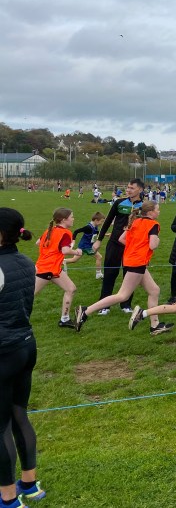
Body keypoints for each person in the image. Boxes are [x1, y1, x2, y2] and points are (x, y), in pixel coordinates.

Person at [0, 208, 47, 507]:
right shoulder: (27, 261)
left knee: (0, 425)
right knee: (19, 413)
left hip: (4, 351)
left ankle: (8, 499)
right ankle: (29, 484)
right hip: (25, 346)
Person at [75, 201, 169, 334]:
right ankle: (86, 311)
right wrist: (155, 241)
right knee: (123, 295)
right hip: (137, 262)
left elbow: (121, 239)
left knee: (154, 290)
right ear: (150, 212)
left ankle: (155, 325)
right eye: (157, 209)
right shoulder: (154, 224)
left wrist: (135, 247)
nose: (159, 212)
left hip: (132, 260)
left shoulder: (135, 221)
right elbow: (153, 245)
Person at [92, 178, 145, 314]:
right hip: (115, 243)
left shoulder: (144, 206)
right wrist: (99, 240)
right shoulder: (119, 203)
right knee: (110, 273)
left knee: (129, 275)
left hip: (132, 246)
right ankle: (104, 306)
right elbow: (107, 221)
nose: (128, 190)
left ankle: (126, 305)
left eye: (132, 188)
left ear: (140, 190)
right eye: (128, 187)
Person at [33, 208, 83, 328]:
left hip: (53, 268)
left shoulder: (50, 230)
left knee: (71, 289)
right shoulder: (66, 233)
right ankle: (8, 317)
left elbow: (38, 243)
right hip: (46, 269)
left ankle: (64, 319)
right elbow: (65, 250)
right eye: (72, 217)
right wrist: (76, 252)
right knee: (28, 296)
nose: (73, 219)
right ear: (64, 220)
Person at [66, 211, 105, 279]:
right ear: (96, 220)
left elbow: (96, 233)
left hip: (87, 246)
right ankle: (98, 274)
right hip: (85, 247)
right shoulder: (88, 227)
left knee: (74, 260)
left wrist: (106, 235)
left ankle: (61, 261)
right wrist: (73, 240)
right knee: (99, 257)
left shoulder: (94, 226)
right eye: (101, 221)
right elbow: (76, 231)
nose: (101, 223)